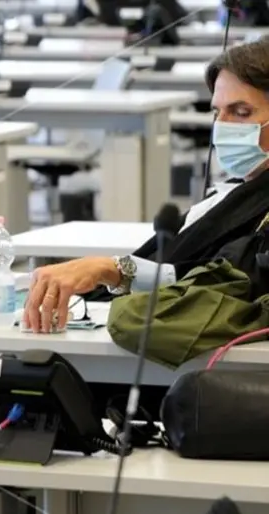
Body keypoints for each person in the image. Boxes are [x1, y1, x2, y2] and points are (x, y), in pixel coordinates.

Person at [25, 38, 269, 334]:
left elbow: (221, 281)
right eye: (217, 113)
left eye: (241, 112)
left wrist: (114, 270)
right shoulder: (234, 189)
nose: (223, 126)